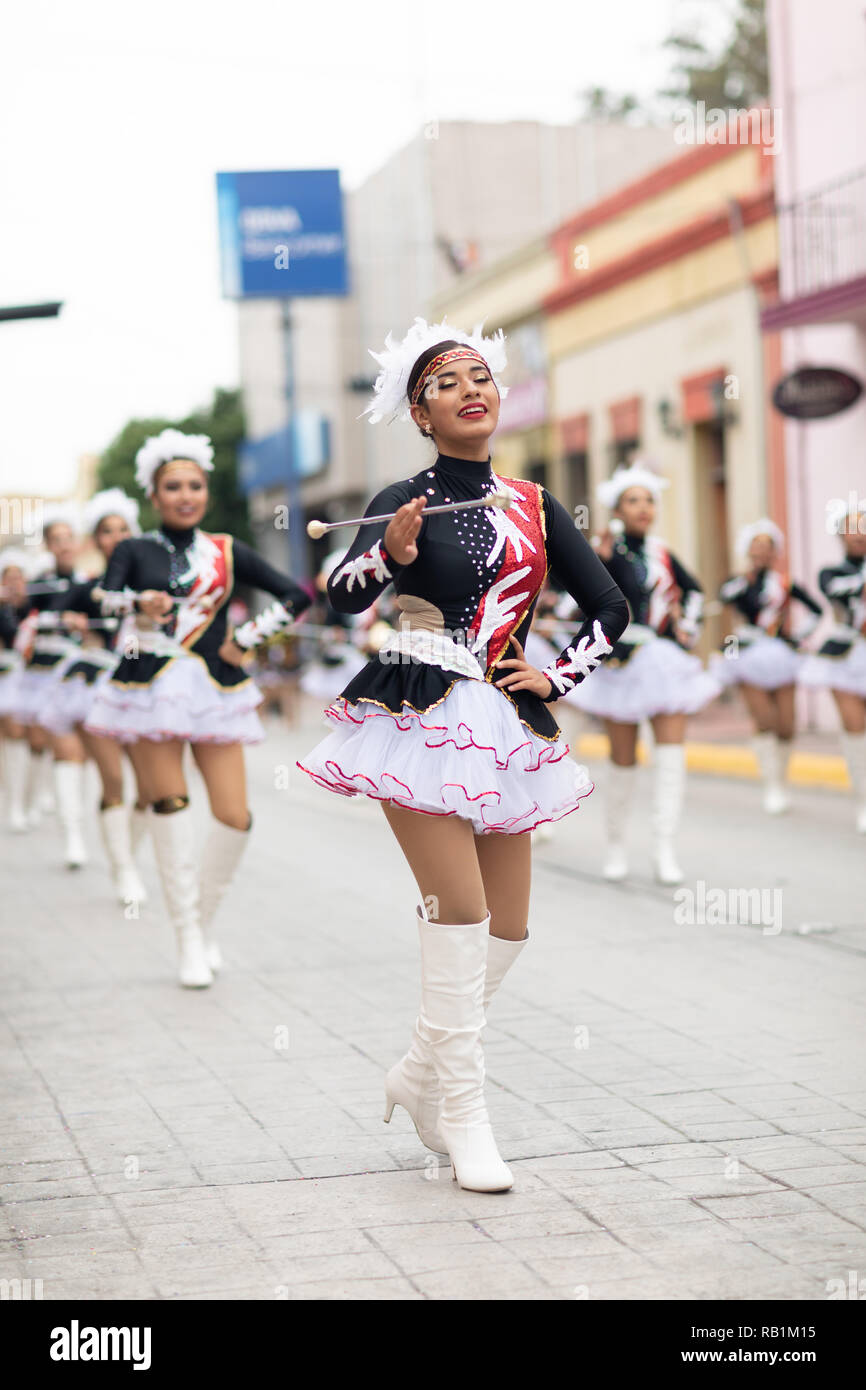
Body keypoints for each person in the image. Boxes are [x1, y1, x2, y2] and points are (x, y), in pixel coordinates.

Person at [297, 319, 628, 1192]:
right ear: (420, 411)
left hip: (506, 722)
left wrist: (558, 676)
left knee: (510, 927)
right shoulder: (403, 498)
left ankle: (416, 1071)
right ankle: (466, 1119)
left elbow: (611, 608)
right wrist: (388, 557)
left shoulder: (534, 503)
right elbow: (335, 596)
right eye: (447, 382)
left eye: (480, 375)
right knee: (462, 913)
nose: (471, 389)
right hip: (414, 708)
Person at [84, 429, 311, 986]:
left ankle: (203, 921)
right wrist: (139, 601)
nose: (186, 494)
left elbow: (297, 594)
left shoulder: (228, 550)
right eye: (173, 486)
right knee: (171, 808)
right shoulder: (134, 549)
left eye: (195, 485)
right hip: (150, 687)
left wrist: (251, 637)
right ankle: (187, 937)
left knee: (235, 817)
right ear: (153, 496)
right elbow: (102, 599)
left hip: (216, 688)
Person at [565, 462, 720, 886]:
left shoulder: (662, 553)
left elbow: (694, 591)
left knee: (671, 757)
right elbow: (588, 600)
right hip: (621, 664)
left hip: (662, 659)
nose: (644, 507)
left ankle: (664, 849)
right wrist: (607, 558)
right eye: (634, 500)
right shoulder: (602, 549)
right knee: (623, 760)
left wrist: (684, 628)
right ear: (618, 507)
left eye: (649, 500)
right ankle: (616, 846)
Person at [39, 489, 149, 898]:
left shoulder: (155, 581)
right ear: (96, 539)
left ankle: (126, 856)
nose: (116, 537)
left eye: (123, 529)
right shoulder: (90, 587)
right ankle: (123, 871)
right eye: (106, 531)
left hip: (151, 690)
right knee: (114, 780)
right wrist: (66, 617)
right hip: (100, 689)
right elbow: (51, 610)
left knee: (153, 790)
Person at [713, 519, 822, 814]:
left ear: (775, 551)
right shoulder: (738, 583)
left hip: (780, 655)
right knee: (764, 720)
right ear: (748, 550)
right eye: (756, 546)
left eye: (767, 546)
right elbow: (723, 601)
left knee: (786, 724)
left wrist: (797, 637)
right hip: (748, 655)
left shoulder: (784, 584)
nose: (762, 552)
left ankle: (782, 781)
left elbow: (816, 610)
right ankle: (771, 786)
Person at [8, 511, 86, 839]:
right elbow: (19, 620)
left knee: (70, 748)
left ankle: (70, 823)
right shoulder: (38, 585)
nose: (65, 544)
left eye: (69, 537)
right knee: (36, 741)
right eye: (58, 539)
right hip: (40, 675)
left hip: (76, 676)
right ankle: (23, 802)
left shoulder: (91, 582)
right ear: (48, 545)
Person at [798, 505, 866, 832]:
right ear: (841, 535)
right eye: (852, 529)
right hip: (847, 657)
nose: (859, 535)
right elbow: (839, 590)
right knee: (856, 730)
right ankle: (864, 801)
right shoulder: (831, 573)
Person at [0, 548, 35, 831]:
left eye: (17, 577)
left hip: (19, 676)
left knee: (16, 733)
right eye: (7, 577)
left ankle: (18, 803)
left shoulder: (33, 606)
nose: (12, 583)